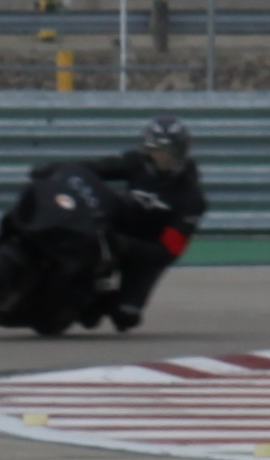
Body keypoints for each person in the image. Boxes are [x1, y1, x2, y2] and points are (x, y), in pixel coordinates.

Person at [68, 115, 202, 330]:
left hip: (146, 254)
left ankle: (104, 301)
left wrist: (126, 246)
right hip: (118, 228)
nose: (163, 157)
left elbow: (169, 250)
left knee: (125, 317)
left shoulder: (191, 198)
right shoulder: (135, 163)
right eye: (157, 150)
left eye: (171, 152)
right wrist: (60, 170)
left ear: (183, 153)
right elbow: (96, 168)